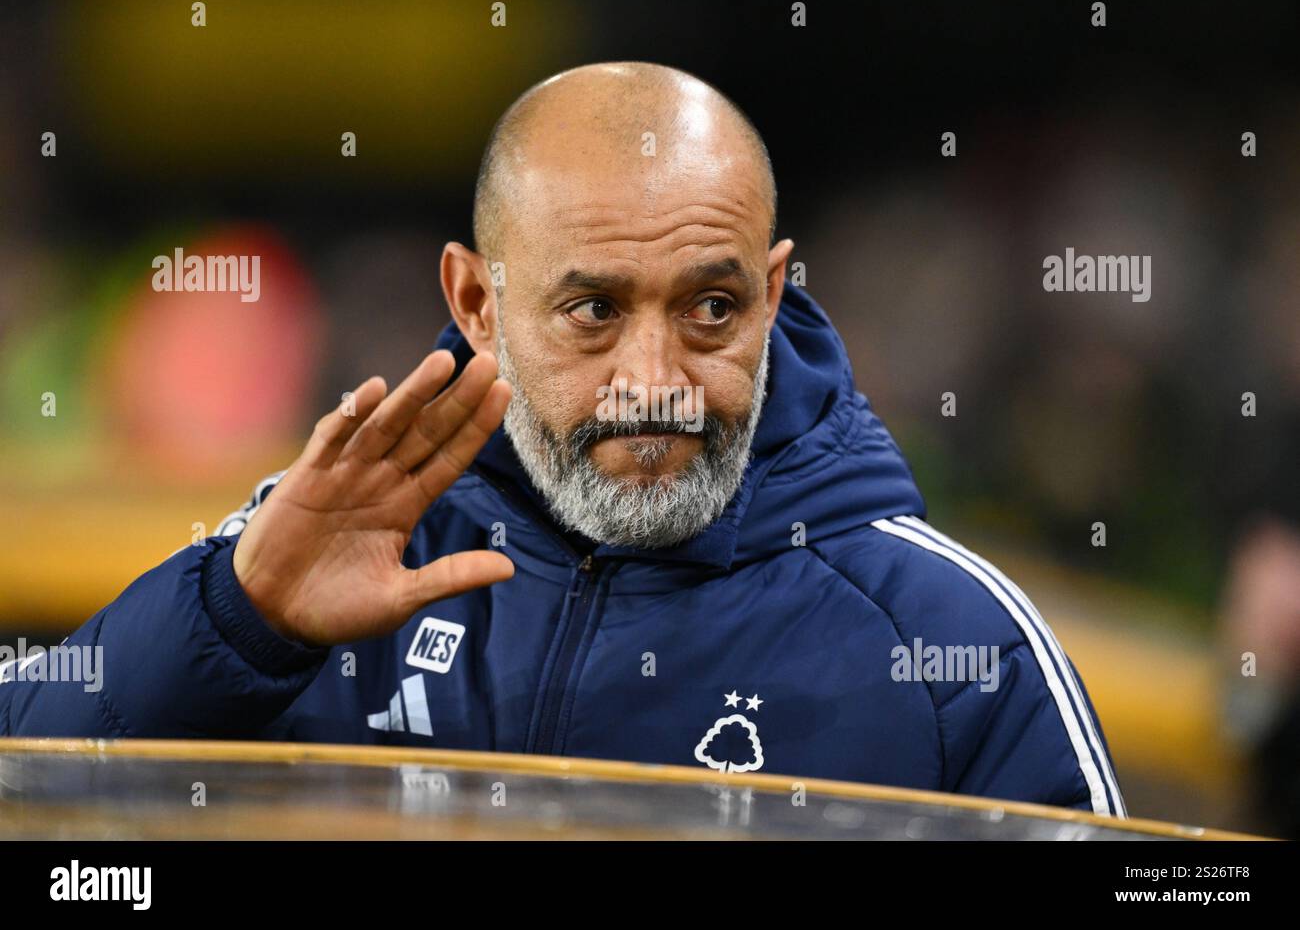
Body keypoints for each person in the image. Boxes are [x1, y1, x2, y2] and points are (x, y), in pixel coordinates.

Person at [0, 62, 1125, 816]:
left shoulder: (956, 647)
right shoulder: (310, 562)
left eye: (711, 309)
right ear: (477, 301)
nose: (654, 382)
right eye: (592, 310)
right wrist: (235, 623)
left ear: (774, 292)